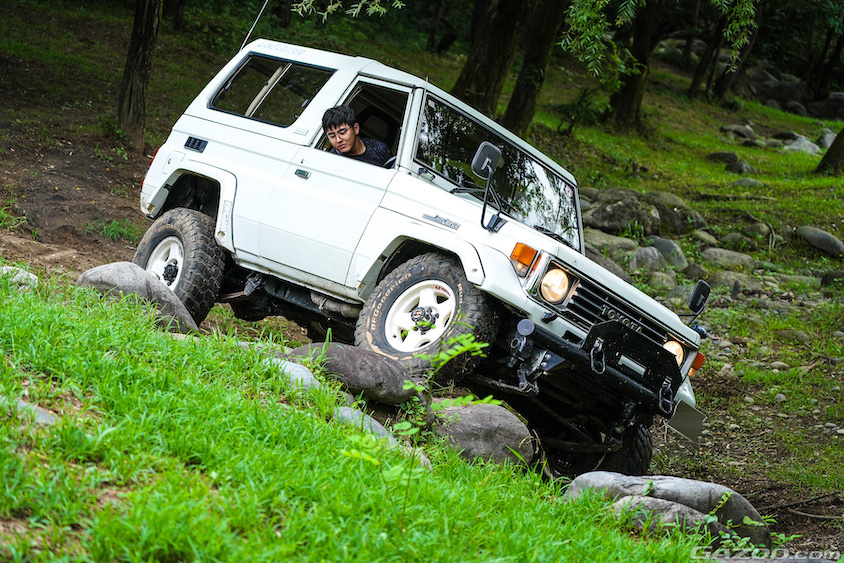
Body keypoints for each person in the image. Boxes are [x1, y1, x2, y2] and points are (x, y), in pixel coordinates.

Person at [322, 105, 392, 167]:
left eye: (342, 133)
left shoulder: (380, 150)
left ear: (355, 129)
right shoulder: (330, 161)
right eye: (332, 136)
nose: (338, 140)